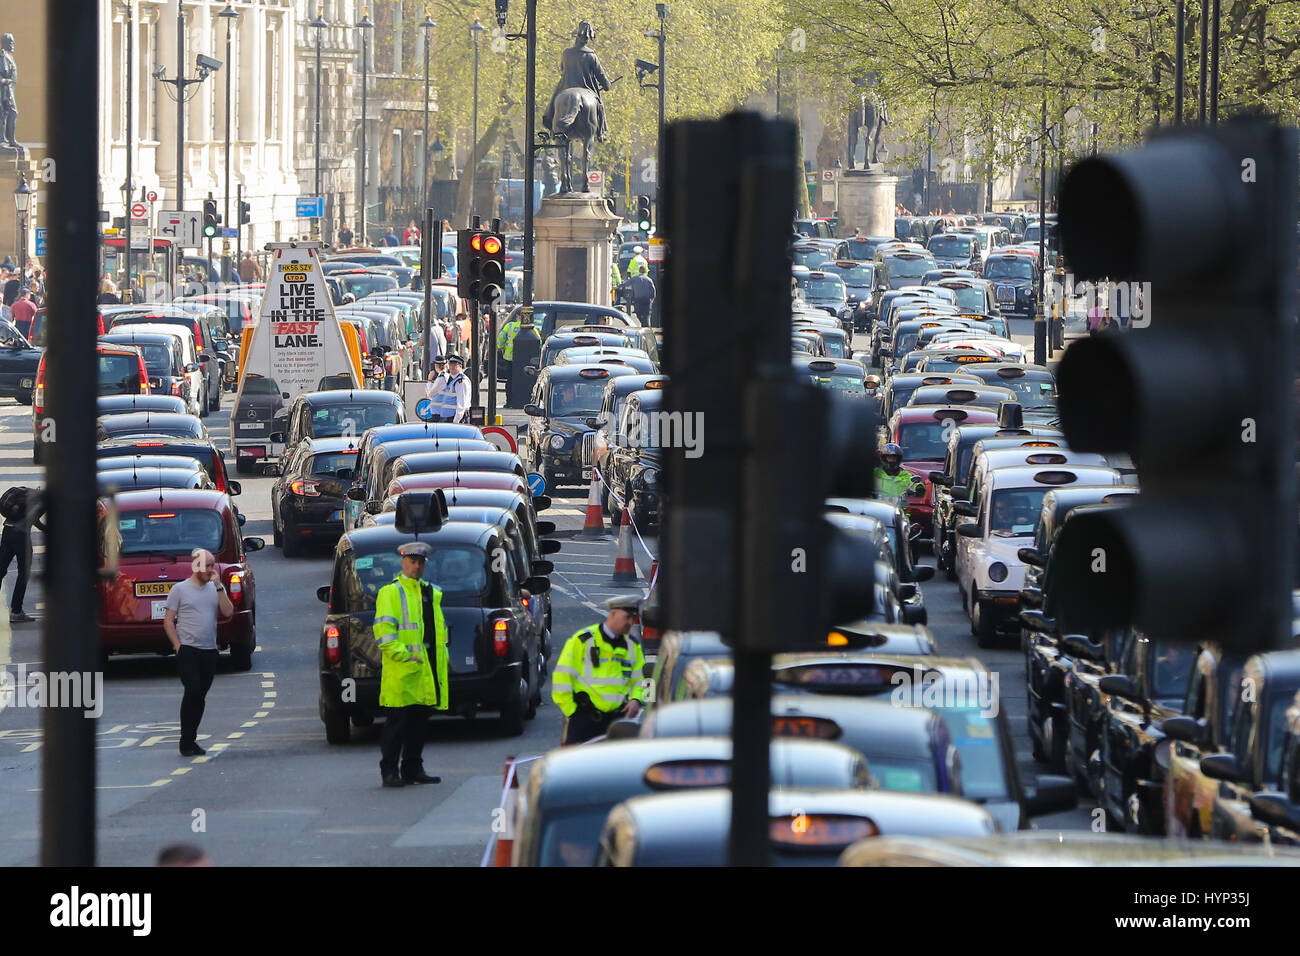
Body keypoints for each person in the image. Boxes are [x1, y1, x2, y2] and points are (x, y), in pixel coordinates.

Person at [372, 540, 448, 787]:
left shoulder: (429, 593)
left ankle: (413, 769)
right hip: (402, 672)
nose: (416, 566)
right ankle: (390, 771)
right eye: (412, 561)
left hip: (425, 671)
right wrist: (405, 655)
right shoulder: (390, 593)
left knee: (418, 724)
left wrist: (442, 662)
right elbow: (384, 634)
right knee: (396, 726)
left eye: (420, 562)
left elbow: (438, 634)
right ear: (403, 562)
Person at [163, 548, 234, 757]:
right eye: (207, 566)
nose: (211, 570)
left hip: (209, 650)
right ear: (196, 566)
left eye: (213, 565)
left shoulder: (215, 588)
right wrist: (178, 646)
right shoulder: (180, 589)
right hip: (188, 650)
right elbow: (168, 620)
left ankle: (190, 739)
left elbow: (228, 611)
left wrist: (219, 586)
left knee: (200, 696)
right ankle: (185, 741)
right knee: (192, 690)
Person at [551, 595, 647, 745]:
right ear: (613, 614)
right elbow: (562, 677)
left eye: (633, 618)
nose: (630, 623)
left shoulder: (632, 646)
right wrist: (572, 712)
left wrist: (636, 700)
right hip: (584, 720)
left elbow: (642, 679)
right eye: (627, 617)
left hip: (617, 722)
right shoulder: (583, 640)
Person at [0, 485, 44, 623]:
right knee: (24, 573)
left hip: (7, 532)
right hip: (21, 536)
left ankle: (17, 611)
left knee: (1, 569)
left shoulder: (26, 494)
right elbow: (34, 519)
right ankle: (16, 611)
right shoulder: (43, 502)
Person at [873, 443, 924, 510]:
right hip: (878, 508)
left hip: (898, 511)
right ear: (884, 458)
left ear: (898, 459)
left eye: (894, 458)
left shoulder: (904, 474)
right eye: (889, 458)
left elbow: (912, 481)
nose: (892, 460)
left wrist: (919, 487)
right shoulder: (876, 473)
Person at [496, 313, 522, 392]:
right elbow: (539, 341)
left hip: (509, 358)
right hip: (523, 360)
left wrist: (501, 347)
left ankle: (509, 400)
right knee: (521, 380)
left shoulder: (509, 326)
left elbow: (500, 338)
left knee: (509, 380)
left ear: (517, 317)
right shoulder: (531, 328)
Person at [444, 354, 471, 423]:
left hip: (457, 419)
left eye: (455, 365)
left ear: (460, 366)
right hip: (449, 417)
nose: (452, 367)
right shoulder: (452, 379)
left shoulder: (461, 382)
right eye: (450, 364)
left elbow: (461, 405)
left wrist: (455, 422)